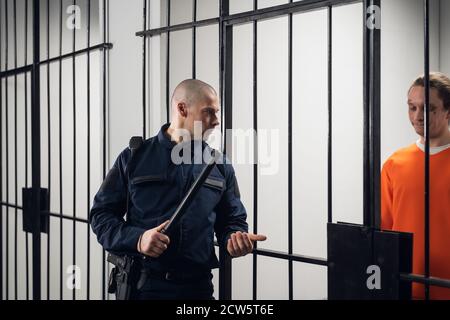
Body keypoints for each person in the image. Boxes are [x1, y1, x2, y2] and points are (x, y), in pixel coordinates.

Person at [90, 79, 266, 300]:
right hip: (144, 287)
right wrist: (139, 239)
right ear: (182, 108)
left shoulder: (220, 164)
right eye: (209, 112)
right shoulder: (134, 157)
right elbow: (101, 216)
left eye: (217, 112)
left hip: (198, 290)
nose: (216, 121)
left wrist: (234, 238)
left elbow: (232, 220)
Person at [381, 72, 450, 299]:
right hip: (404, 287)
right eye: (412, 107)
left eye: (428, 108)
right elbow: (384, 232)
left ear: (448, 111)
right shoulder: (394, 163)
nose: (418, 116)